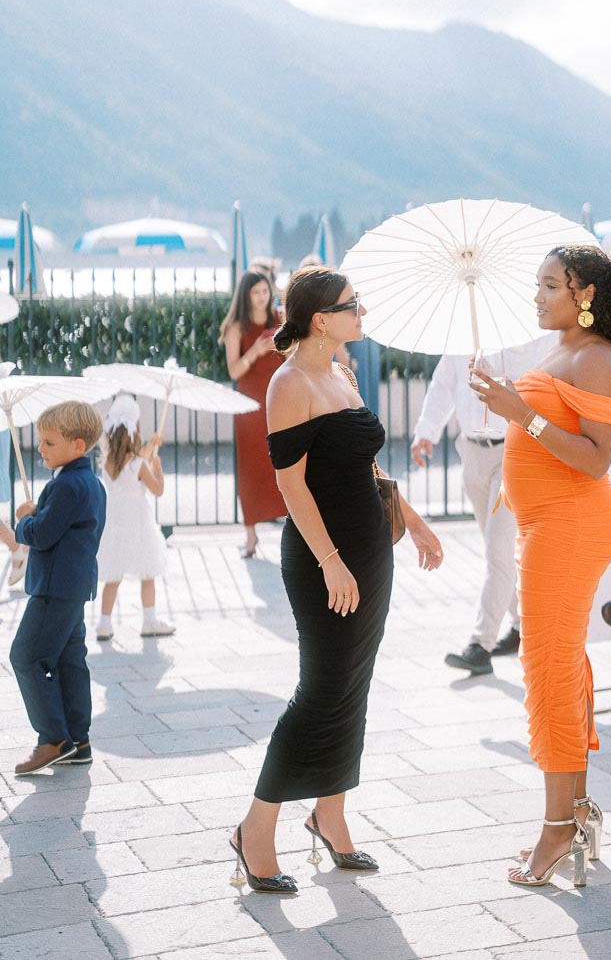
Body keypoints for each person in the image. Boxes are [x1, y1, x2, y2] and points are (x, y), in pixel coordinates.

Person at [229, 265, 444, 893]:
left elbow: (368, 465)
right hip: (326, 559)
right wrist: (330, 561)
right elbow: (291, 485)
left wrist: (417, 523)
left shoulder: (341, 372)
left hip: (371, 550)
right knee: (321, 690)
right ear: (321, 318)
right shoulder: (289, 383)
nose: (364, 313)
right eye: (355, 306)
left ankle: (330, 816)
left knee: (354, 683)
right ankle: (254, 831)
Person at [472, 244, 611, 888]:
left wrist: (520, 414)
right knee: (561, 663)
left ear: (587, 294)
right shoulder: (563, 348)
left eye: (551, 285)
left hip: (571, 523)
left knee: (545, 666)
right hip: (545, 522)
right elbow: (543, 433)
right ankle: (572, 817)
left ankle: (555, 830)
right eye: (537, 284)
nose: (538, 296)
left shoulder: (597, 357)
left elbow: (595, 459)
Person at [411, 336, 553, 676]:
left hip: (514, 450)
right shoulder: (464, 333)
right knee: (497, 548)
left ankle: (480, 643)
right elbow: (444, 384)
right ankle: (520, 627)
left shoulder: (532, 336)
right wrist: (425, 432)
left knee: (498, 550)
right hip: (471, 451)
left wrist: (499, 382)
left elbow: (541, 394)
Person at [0, 401, 106, 774]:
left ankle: (53, 739)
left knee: (25, 657)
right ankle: (79, 741)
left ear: (78, 445)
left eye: (49, 442)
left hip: (53, 588)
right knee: (68, 660)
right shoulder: (91, 483)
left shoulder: (66, 486)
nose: (41, 449)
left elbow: (42, 536)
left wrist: (24, 522)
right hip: (73, 587)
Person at [95, 394, 174, 641]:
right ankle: (149, 620)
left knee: (113, 576)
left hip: (116, 525)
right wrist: (157, 465)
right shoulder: (139, 463)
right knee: (147, 573)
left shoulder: (107, 462)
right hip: (139, 525)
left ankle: (104, 624)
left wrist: (149, 448)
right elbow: (157, 490)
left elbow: (132, 460)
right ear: (133, 430)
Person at [220, 270, 285, 557]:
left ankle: (293, 524)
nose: (262, 297)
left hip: (280, 398)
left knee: (284, 461)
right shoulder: (236, 327)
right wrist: (256, 350)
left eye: (265, 291)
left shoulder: (280, 319)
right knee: (250, 467)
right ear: (246, 295)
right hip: (249, 403)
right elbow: (233, 370)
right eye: (256, 292)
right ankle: (250, 533)